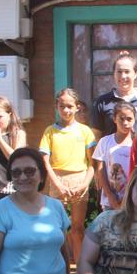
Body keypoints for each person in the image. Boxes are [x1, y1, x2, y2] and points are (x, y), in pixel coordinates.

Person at [40, 88, 96, 263]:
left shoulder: (85, 131)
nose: (66, 110)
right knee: (58, 228)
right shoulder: (50, 131)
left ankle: (80, 270)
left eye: (70, 106)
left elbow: (92, 163)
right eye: (62, 106)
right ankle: (60, 267)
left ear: (77, 107)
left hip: (79, 179)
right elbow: (45, 161)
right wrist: (57, 183)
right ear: (57, 106)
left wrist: (84, 184)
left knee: (77, 228)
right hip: (57, 180)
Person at [91, 51, 137, 138]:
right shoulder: (103, 102)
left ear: (135, 74)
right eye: (119, 72)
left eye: (127, 72)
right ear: (114, 74)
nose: (123, 76)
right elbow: (96, 135)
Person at [93, 101, 135, 211]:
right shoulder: (105, 141)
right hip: (109, 201)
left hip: (133, 200)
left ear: (135, 120)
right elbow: (100, 170)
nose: (125, 123)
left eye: (129, 119)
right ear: (114, 119)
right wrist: (111, 197)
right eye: (121, 118)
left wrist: (128, 198)